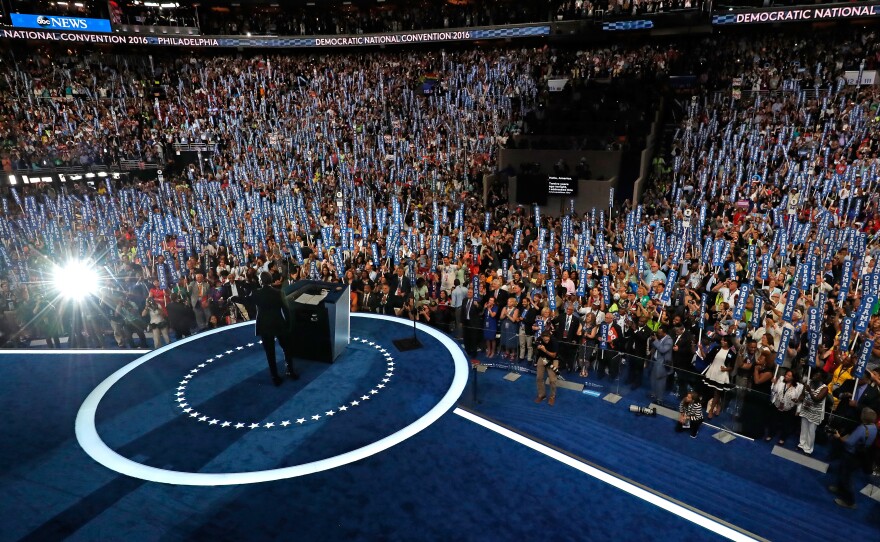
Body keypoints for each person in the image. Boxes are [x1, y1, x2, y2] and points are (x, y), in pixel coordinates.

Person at [251, 271, 297, 386]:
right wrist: (288, 325)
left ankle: (274, 376)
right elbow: (286, 310)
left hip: (264, 326)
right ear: (271, 280)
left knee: (270, 353)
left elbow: (246, 300)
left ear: (260, 281)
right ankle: (290, 371)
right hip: (279, 324)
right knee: (287, 348)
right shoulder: (278, 293)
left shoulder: (256, 293)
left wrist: (234, 298)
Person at [828, 408, 878, 509]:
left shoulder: (862, 429)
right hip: (860, 455)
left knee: (847, 476)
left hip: (851, 454)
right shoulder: (874, 428)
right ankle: (840, 488)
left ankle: (850, 502)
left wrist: (839, 437)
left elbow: (849, 442)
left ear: (863, 417)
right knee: (843, 471)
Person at [798, 371, 829, 456]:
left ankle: (808, 449)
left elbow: (817, 399)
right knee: (803, 428)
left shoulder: (824, 388)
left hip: (815, 413)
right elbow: (803, 395)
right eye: (814, 374)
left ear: (821, 378)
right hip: (806, 409)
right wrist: (798, 399)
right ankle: (801, 444)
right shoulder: (809, 383)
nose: (814, 375)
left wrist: (809, 391)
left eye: (816, 374)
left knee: (811, 431)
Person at [770, 369, 803, 446]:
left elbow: (798, 400)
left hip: (788, 408)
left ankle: (782, 438)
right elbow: (774, 390)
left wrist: (798, 408)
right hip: (777, 405)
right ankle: (770, 434)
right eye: (786, 374)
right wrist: (774, 383)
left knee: (787, 424)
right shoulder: (781, 381)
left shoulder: (799, 386)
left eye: (789, 375)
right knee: (773, 421)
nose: (786, 376)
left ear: (793, 378)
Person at [649, 325, 673, 405]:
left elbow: (662, 350)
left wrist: (656, 340)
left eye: (659, 333)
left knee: (660, 382)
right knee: (653, 379)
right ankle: (654, 394)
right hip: (655, 361)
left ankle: (659, 399)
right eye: (658, 333)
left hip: (662, 364)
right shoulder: (659, 338)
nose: (658, 334)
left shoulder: (669, 340)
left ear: (664, 333)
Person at [535, 331, 558, 406]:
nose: (547, 341)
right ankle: (542, 395)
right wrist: (538, 346)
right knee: (539, 377)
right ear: (542, 338)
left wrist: (545, 350)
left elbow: (554, 355)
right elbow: (536, 342)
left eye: (548, 340)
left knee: (552, 380)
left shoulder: (554, 341)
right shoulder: (539, 338)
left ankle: (552, 396)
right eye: (545, 340)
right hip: (543, 358)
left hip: (553, 359)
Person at [460, 288, 482, 360]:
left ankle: (474, 353)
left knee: (473, 339)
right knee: (466, 338)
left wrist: (477, 305)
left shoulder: (478, 300)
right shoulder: (464, 300)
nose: (468, 294)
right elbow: (462, 311)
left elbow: (480, 310)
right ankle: (467, 351)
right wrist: (461, 321)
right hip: (466, 322)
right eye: (468, 292)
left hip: (474, 323)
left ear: (473, 294)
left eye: (470, 293)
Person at [498, 296, 519, 362]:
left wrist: (507, 314)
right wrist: (504, 314)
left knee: (511, 339)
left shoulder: (516, 310)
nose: (508, 303)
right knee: (505, 338)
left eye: (510, 302)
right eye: (508, 301)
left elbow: (513, 320)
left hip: (512, 326)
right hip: (504, 325)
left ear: (513, 303)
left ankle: (513, 353)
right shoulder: (504, 308)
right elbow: (501, 317)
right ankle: (507, 352)